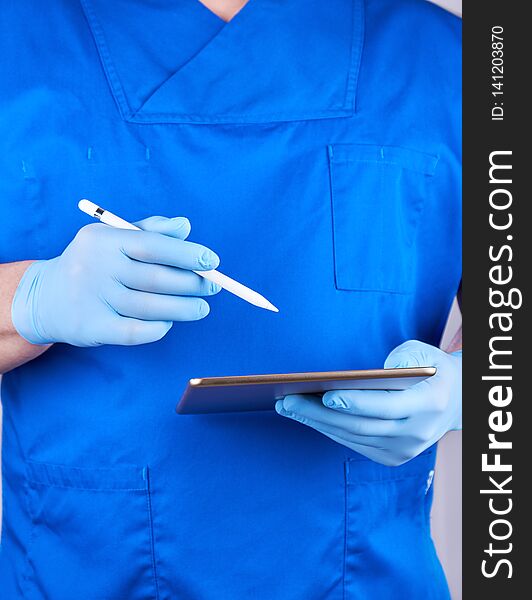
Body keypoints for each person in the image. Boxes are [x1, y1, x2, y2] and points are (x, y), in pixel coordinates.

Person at [0, 0, 461, 597]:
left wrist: (470, 389)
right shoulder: (16, 36)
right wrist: (28, 300)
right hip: (73, 576)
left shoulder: (461, 65)